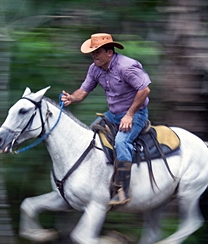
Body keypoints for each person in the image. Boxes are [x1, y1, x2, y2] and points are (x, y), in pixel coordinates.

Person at [61, 33, 151, 206]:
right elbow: (83, 91)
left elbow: (144, 90)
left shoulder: (127, 67)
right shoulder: (95, 69)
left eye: (97, 51)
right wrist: (72, 98)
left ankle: (122, 190)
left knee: (121, 142)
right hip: (113, 114)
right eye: (93, 52)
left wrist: (130, 114)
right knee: (89, 135)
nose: (94, 55)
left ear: (109, 53)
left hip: (135, 114)